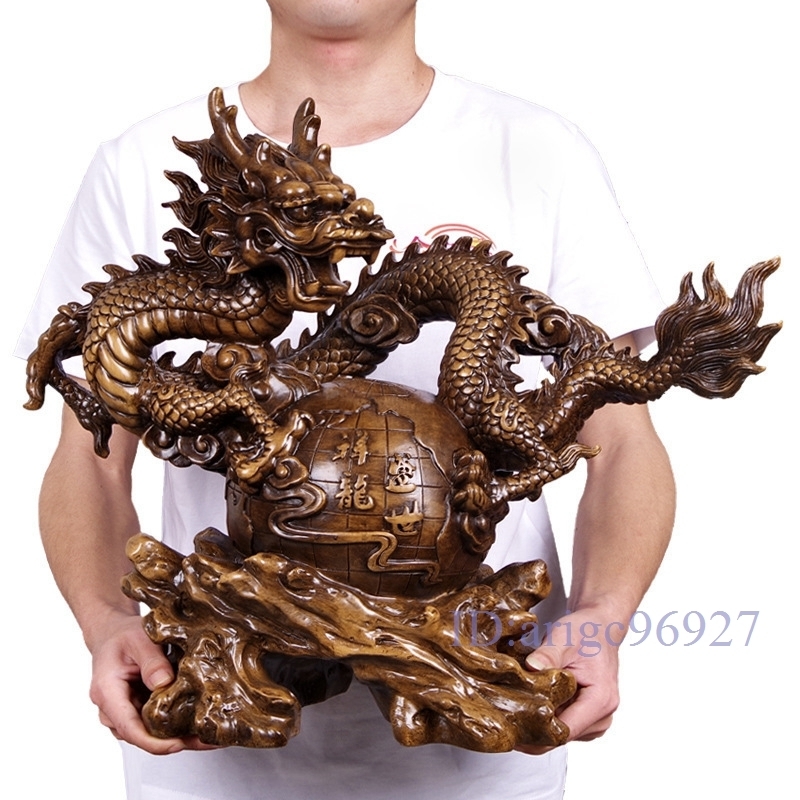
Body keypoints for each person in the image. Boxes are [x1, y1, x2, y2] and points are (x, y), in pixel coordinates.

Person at [17, 1, 674, 798]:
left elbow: (623, 443)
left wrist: (600, 620)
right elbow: (89, 461)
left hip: (485, 740)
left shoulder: (541, 150)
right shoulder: (135, 162)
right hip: (208, 746)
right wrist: (108, 622)